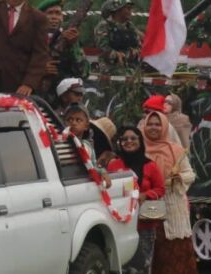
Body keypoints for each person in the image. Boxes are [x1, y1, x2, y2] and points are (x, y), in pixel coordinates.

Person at [141, 111, 198, 274]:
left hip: (173, 205)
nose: (153, 127)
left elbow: (190, 174)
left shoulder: (176, 150)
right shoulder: (140, 150)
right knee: (152, 252)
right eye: (150, 124)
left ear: (165, 127)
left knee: (176, 253)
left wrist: (178, 177)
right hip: (149, 204)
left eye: (157, 124)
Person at [108, 126, 165, 274]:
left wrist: (145, 195)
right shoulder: (114, 165)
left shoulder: (150, 165)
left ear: (140, 141)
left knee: (143, 265)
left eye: (133, 138)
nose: (129, 141)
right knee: (123, 266)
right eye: (125, 139)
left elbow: (160, 189)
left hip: (145, 222)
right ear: (120, 142)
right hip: (122, 222)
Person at [38, 0, 89, 102]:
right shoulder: (31, 38)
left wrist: (73, 46)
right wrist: (39, 70)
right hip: (37, 96)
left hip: (64, 99)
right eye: (50, 13)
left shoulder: (69, 39)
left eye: (58, 13)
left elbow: (84, 72)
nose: (54, 17)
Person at [64, 103, 111, 188]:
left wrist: (102, 172)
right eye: (70, 119)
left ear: (86, 126)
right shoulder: (59, 143)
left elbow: (93, 166)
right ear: (65, 122)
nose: (73, 123)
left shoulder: (87, 146)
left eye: (78, 120)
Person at [94, 0, 142, 75]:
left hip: (132, 71)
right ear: (118, 10)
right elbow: (102, 49)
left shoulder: (130, 26)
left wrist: (136, 51)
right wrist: (117, 55)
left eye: (131, 8)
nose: (131, 11)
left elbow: (139, 46)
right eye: (128, 8)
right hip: (111, 71)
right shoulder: (104, 26)